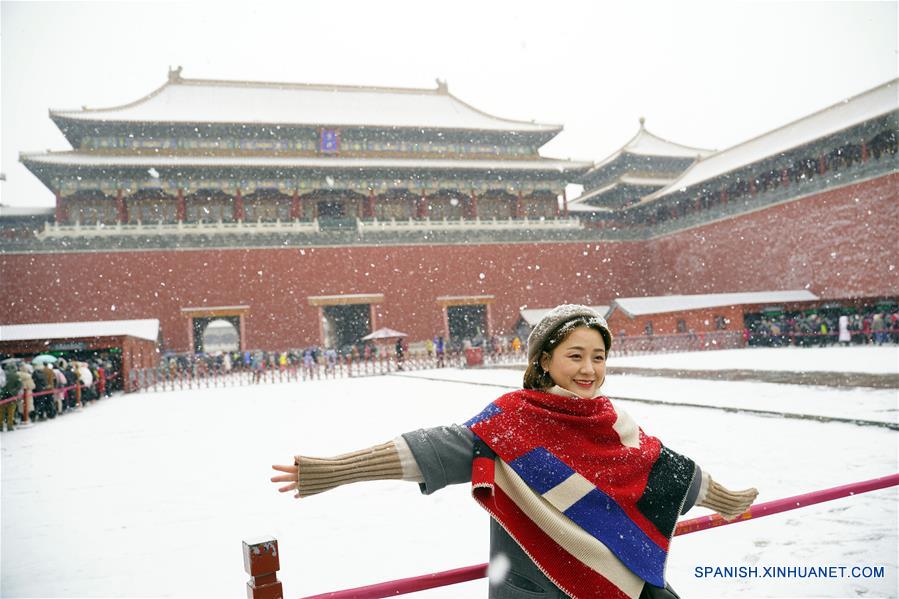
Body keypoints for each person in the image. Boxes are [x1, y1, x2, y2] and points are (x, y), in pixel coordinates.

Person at [271, 305, 758, 598]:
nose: (589, 369)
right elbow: (439, 448)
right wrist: (333, 470)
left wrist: (726, 499)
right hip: (537, 589)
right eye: (575, 356)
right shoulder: (514, 421)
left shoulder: (614, 424)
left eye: (598, 357)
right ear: (544, 360)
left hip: (624, 586)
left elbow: (669, 474)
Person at [1, 363, 22, 431]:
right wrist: (13, 392)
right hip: (12, 397)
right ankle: (9, 426)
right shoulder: (16, 375)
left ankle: (0, 426)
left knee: (1, 412)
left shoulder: (2, 375)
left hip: (2, 396)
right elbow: (19, 386)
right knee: (11, 412)